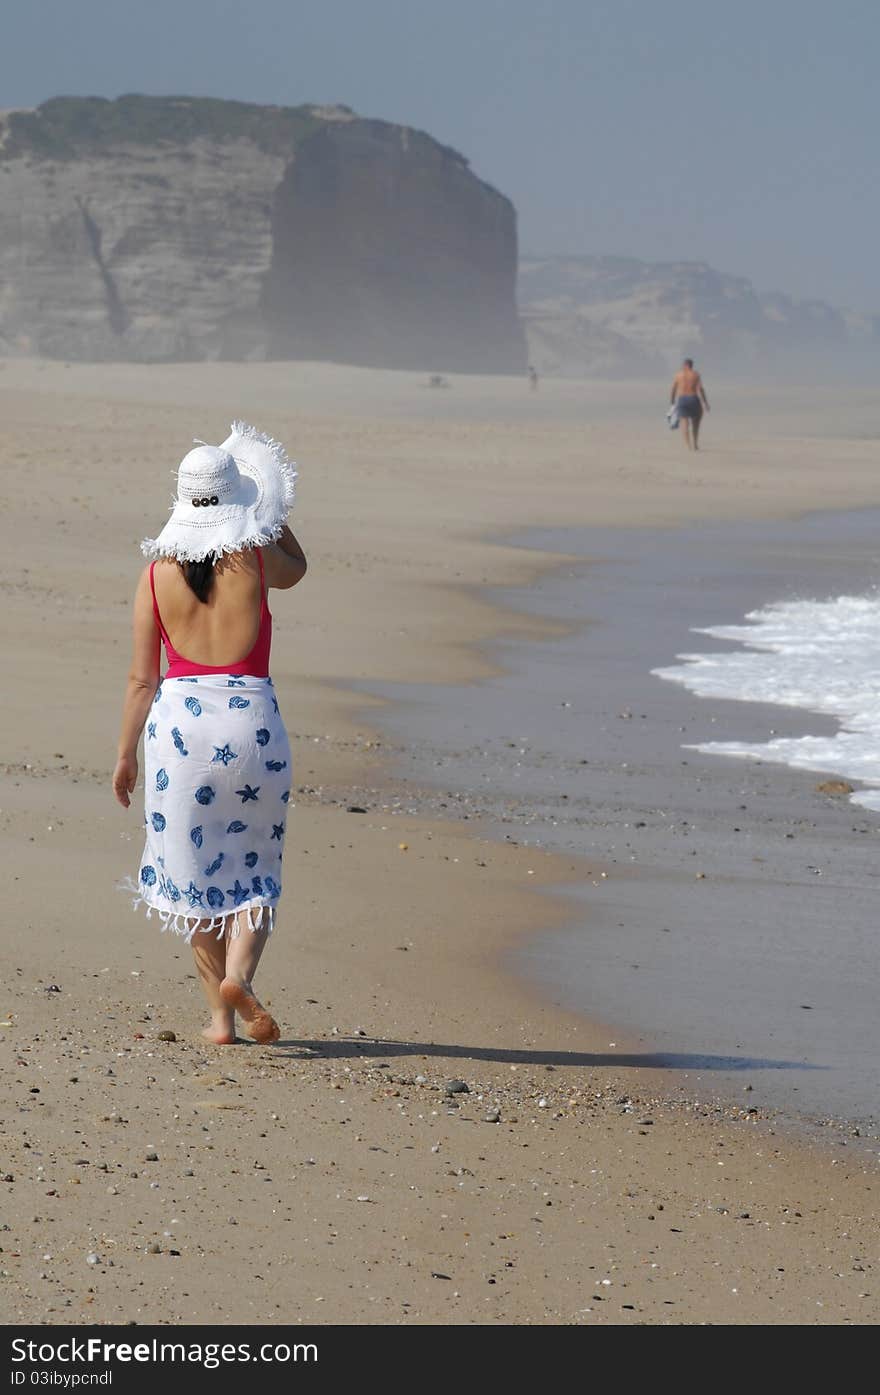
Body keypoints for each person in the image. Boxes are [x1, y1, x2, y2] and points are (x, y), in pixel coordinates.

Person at [113, 422, 307, 1045]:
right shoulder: (254, 556)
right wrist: (265, 507)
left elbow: (142, 680)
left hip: (178, 737)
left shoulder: (153, 576)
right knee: (254, 868)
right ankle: (241, 977)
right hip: (252, 728)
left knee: (196, 877)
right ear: (234, 500)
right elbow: (298, 567)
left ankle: (220, 1021)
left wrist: (125, 756)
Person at [670, 358, 710, 450]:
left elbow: (673, 389)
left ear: (685, 365)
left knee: (684, 423)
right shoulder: (696, 375)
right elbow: (700, 389)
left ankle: (688, 446)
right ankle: (695, 444)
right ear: (691, 365)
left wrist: (672, 402)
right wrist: (705, 403)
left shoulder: (678, 375)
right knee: (696, 423)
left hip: (682, 399)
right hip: (693, 398)